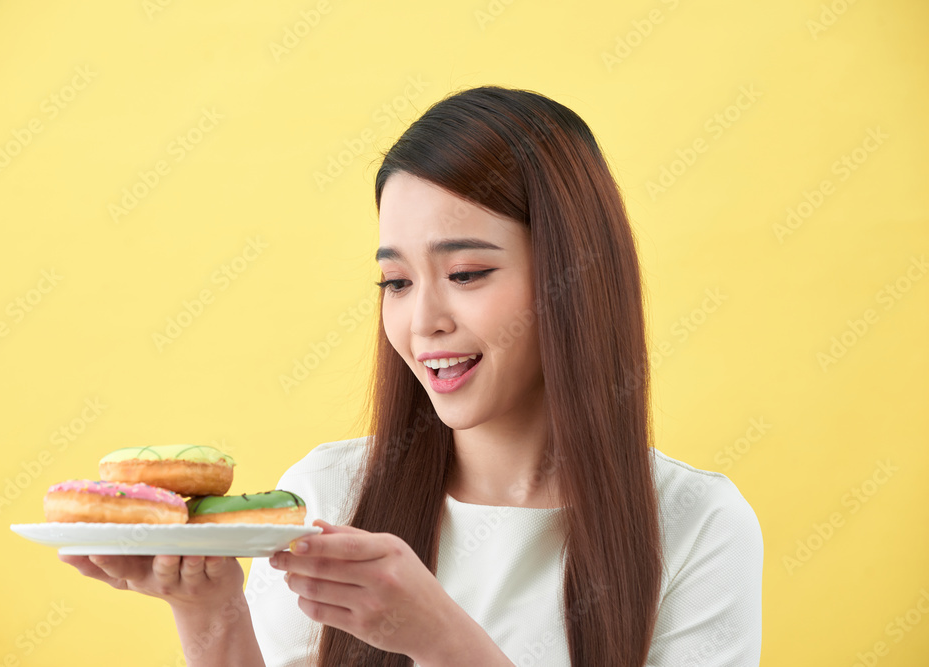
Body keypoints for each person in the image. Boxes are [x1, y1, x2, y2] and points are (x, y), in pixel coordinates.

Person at [60, 85, 764, 667]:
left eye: (465, 273)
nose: (423, 319)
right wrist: (208, 612)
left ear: (574, 278)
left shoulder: (697, 526)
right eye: (395, 281)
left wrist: (443, 641)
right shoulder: (326, 496)